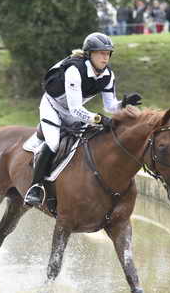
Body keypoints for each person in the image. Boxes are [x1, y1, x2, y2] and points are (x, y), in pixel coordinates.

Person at [24, 32, 142, 209]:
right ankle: (36, 187)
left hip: (75, 112)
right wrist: (99, 119)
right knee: (54, 143)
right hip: (53, 107)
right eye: (100, 53)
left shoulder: (108, 75)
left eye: (108, 53)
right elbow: (76, 109)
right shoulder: (75, 71)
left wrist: (123, 104)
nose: (105, 57)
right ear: (89, 54)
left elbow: (109, 107)